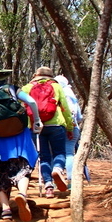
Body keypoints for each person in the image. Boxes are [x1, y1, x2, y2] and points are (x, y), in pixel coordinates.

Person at [0, 62, 43, 222]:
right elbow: (32, 102)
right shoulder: (13, 89)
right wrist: (36, 121)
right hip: (19, 136)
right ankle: (22, 195)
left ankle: (5, 209)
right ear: (3, 76)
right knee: (23, 168)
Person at [21, 67, 74, 198]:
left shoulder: (27, 87)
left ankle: (48, 187)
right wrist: (69, 127)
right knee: (59, 153)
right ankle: (57, 170)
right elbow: (65, 108)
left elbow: (21, 108)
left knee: (43, 157)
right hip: (56, 124)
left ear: (36, 75)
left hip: (35, 126)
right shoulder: (56, 86)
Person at [54, 75, 83, 188]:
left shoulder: (58, 94)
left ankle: (55, 182)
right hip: (73, 126)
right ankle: (71, 181)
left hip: (59, 126)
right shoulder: (71, 95)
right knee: (69, 154)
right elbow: (79, 116)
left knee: (56, 154)